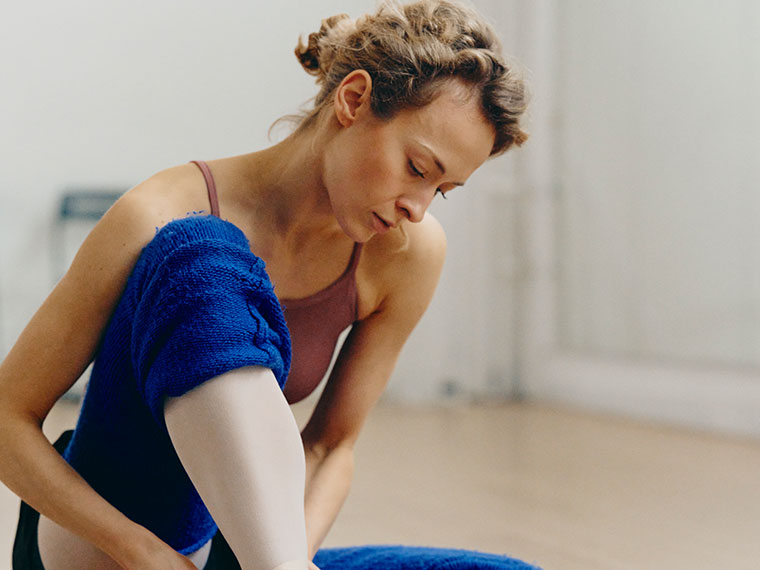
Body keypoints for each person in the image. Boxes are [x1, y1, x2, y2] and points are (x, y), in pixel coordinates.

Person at [0, 1, 529, 569]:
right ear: (353, 99)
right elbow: (7, 418)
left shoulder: (405, 254)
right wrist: (142, 552)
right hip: (103, 553)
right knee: (199, 251)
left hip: (240, 555)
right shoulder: (156, 213)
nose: (418, 208)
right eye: (418, 169)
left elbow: (329, 446)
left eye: (441, 190)